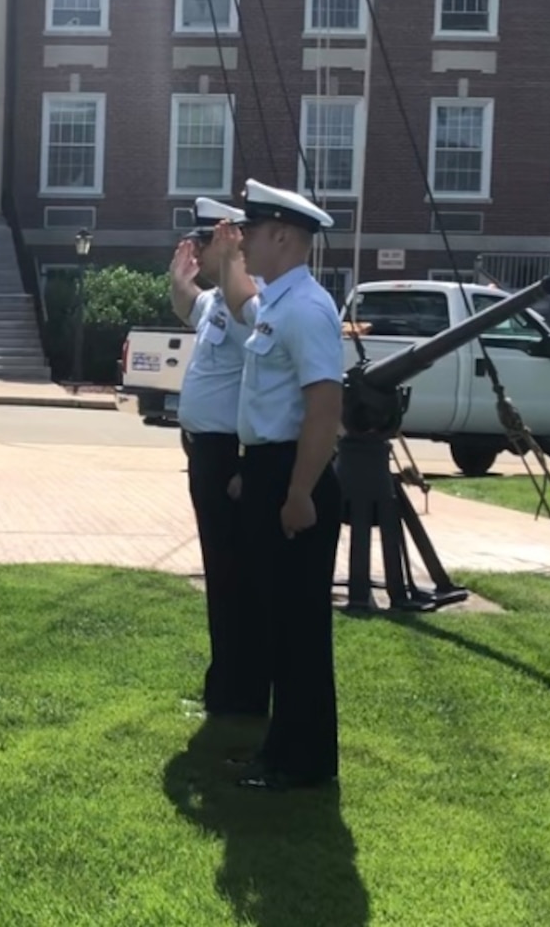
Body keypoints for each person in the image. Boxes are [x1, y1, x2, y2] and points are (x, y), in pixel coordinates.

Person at [221, 178, 346, 792]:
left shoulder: (306, 309)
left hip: (300, 479)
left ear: (282, 236)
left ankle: (305, 762)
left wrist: (298, 493)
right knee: (276, 620)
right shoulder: (276, 302)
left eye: (250, 231)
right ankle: (280, 752)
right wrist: (257, 472)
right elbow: (275, 403)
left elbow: (324, 408)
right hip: (273, 471)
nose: (242, 240)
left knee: (299, 628)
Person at [169, 197, 268, 725]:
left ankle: (242, 695)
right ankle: (223, 688)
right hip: (207, 451)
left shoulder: (254, 301)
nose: (197, 251)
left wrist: (244, 465)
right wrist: (177, 278)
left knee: (236, 579)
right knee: (220, 574)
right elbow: (188, 306)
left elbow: (264, 390)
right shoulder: (216, 302)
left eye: (204, 243)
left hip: (232, 455)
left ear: (231, 242)